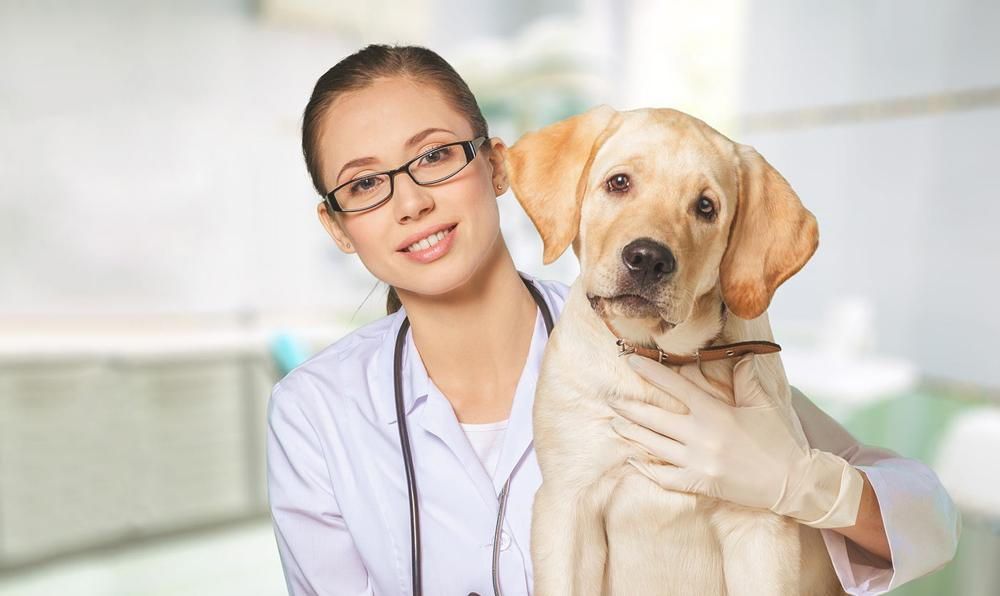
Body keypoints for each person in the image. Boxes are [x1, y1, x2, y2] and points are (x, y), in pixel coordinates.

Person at [265, 43, 960, 596]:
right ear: (336, 226)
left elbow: (928, 518)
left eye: (436, 156)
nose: (409, 201)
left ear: (500, 168)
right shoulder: (315, 412)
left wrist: (802, 483)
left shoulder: (682, 350)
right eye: (364, 183)